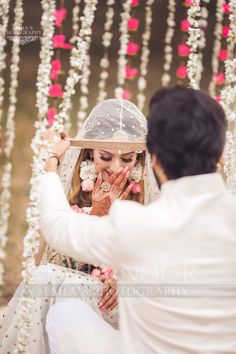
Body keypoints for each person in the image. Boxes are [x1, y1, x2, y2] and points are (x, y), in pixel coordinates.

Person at [39, 87, 236, 354]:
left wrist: (52, 164)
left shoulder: (134, 224)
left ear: (152, 159)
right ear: (221, 153)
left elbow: (55, 224)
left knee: (64, 312)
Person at [0, 98, 159, 353]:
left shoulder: (149, 197)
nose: (115, 167)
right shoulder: (78, 191)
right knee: (50, 279)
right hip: (79, 295)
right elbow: (58, 257)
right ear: (90, 154)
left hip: (129, 306)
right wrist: (95, 213)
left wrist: (124, 280)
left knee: (57, 285)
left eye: (127, 159)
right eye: (105, 157)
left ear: (139, 160)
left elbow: (161, 262)